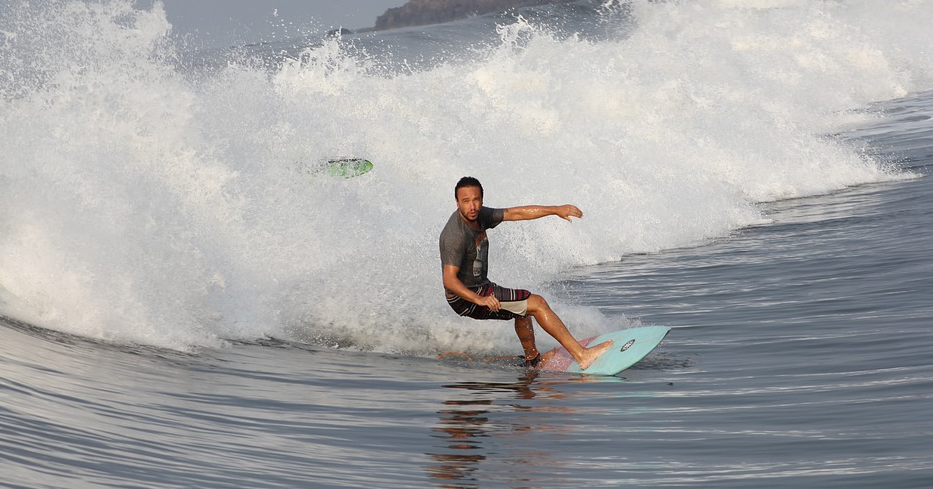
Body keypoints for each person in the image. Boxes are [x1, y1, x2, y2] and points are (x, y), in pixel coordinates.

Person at [438, 176, 613, 370]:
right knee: (537, 303)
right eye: (465, 201)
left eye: (476, 199)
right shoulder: (455, 235)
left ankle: (533, 362)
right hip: (466, 297)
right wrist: (479, 300)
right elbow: (449, 280)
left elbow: (517, 213)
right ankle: (582, 356)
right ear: (456, 202)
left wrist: (554, 210)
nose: (472, 206)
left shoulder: (478, 215)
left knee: (522, 309)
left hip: (481, 287)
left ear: (482, 198)